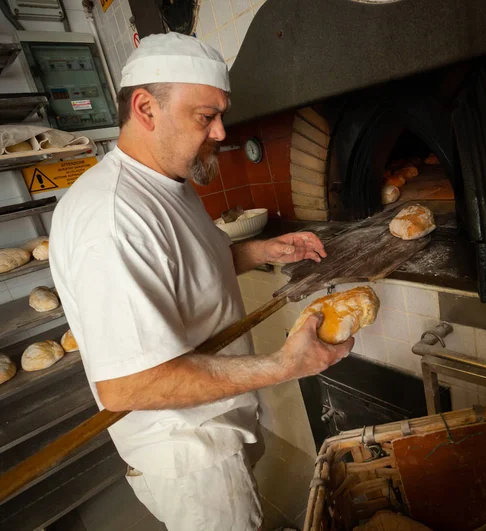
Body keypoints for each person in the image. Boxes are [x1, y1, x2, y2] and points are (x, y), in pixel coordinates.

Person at [49, 32, 353, 531]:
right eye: (205, 116)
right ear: (146, 109)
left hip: (216, 424)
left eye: (220, 115)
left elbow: (180, 270)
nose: (219, 132)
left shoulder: (167, 180)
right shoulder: (113, 219)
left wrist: (258, 252)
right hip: (190, 452)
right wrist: (283, 365)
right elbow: (128, 386)